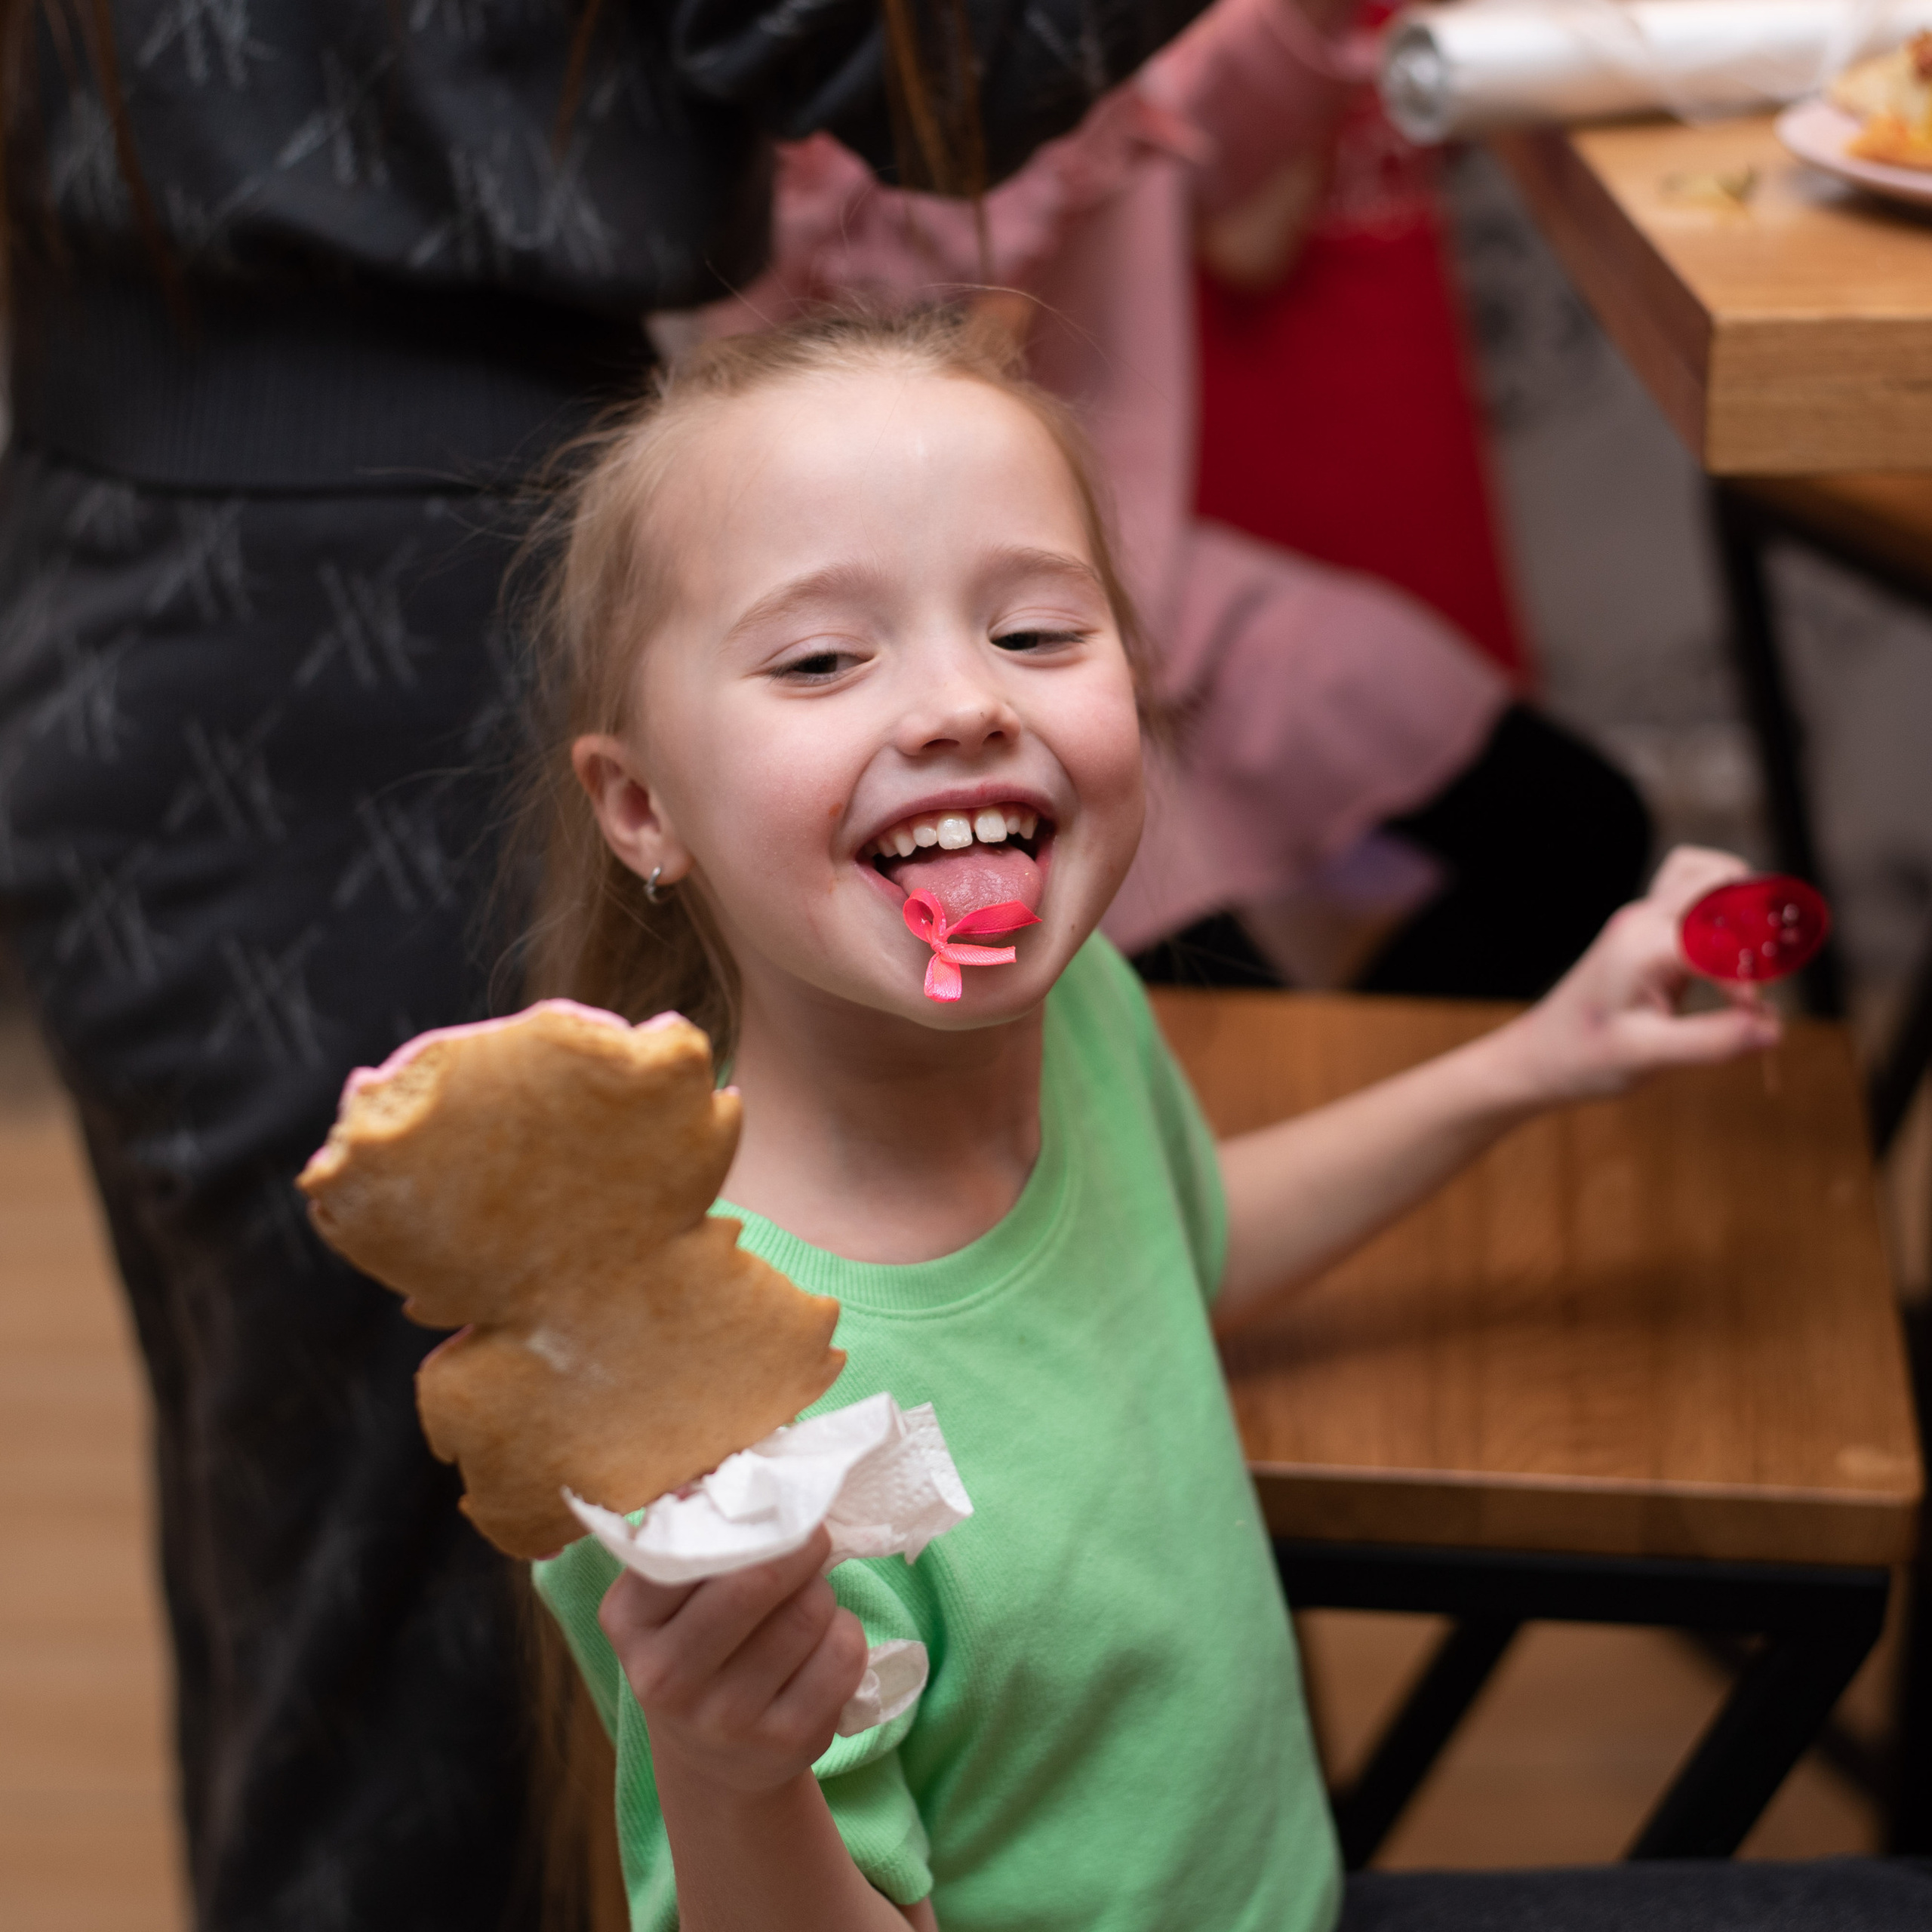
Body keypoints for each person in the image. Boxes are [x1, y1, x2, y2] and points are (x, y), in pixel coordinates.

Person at [0, 5, 1218, 1926]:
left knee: (338, 1623)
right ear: (626, 801)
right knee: (420, 1696)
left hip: (146, 557)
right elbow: (935, 61)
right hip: (369, 647)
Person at [525, 307, 1930, 1930]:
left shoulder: (1080, 1014)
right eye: (823, 658)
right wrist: (725, 1767)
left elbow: (1182, 1241)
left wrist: (1537, 1055)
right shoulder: (710, 1407)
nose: (960, 705)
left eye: (1036, 634)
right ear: (639, 807)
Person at [687, 0, 1646, 1004]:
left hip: (1163, 590)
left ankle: (1366, 1119)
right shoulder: (805, 93)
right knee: (1212, 1019)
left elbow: (1246, 118)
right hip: (955, 653)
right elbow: (860, 337)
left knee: (1578, 827)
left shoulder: (1117, 51)